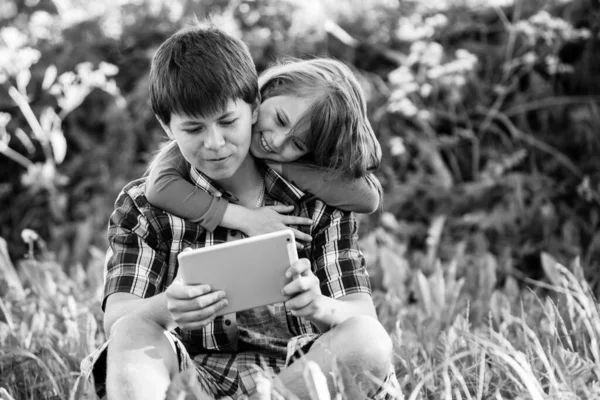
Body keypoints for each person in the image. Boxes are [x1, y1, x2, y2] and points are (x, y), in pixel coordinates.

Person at [78, 21, 398, 400]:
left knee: (368, 339)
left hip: (298, 379)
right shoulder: (144, 206)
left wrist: (319, 305)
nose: (214, 144)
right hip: (191, 378)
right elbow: (117, 320)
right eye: (194, 129)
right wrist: (170, 306)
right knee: (131, 332)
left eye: (228, 122)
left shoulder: (318, 202)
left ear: (254, 106)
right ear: (167, 126)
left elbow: (361, 314)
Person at [144, 57, 383, 246]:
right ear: (265, 93)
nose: (277, 142)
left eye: (297, 145)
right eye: (280, 119)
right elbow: (158, 186)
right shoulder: (216, 131)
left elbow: (368, 198)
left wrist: (279, 167)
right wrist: (245, 219)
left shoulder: (284, 162)